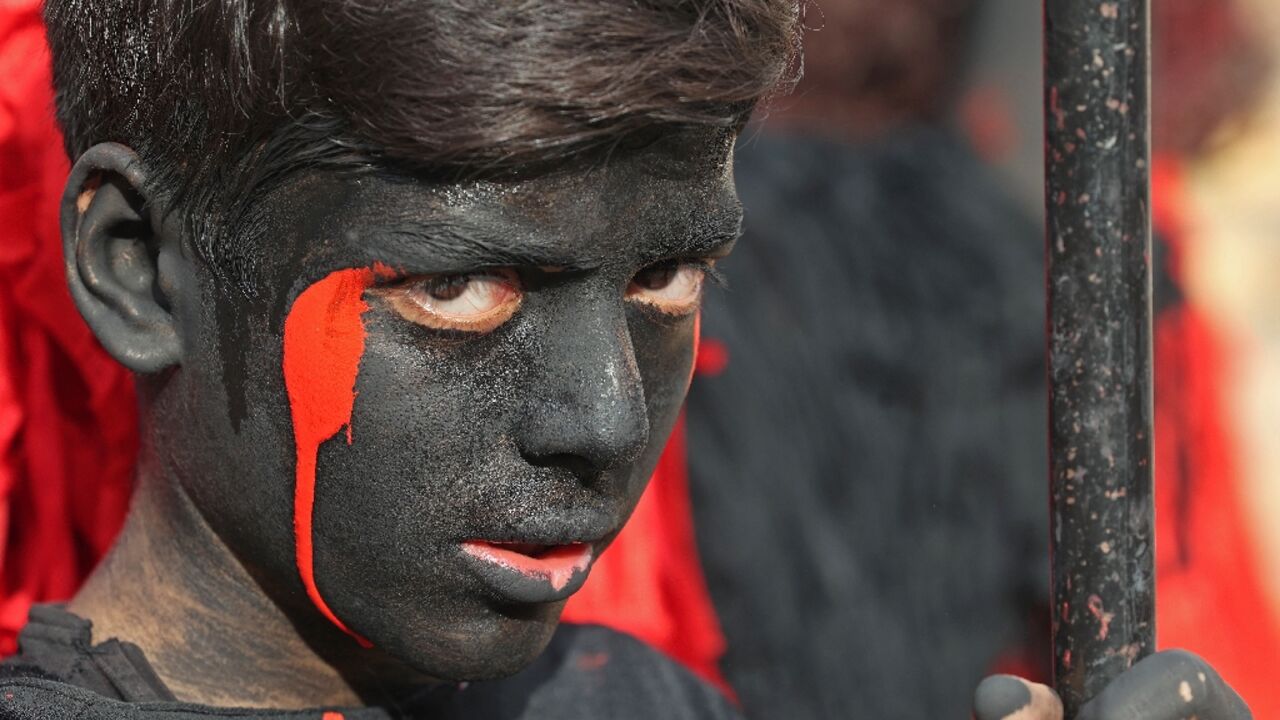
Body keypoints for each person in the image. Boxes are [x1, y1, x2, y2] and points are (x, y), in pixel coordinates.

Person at [0, 1, 1257, 718]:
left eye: (667, 277)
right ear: (138, 267)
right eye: (459, 287)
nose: (601, 420)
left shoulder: (631, 706)